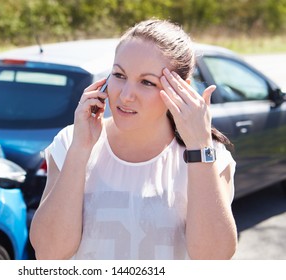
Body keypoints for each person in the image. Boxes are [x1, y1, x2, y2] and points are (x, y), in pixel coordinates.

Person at [30, 18, 237, 260]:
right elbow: (48, 253)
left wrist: (199, 147)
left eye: (147, 82)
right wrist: (80, 148)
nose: (126, 95)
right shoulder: (70, 142)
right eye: (119, 75)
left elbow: (213, 259)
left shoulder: (209, 154)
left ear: (181, 88)